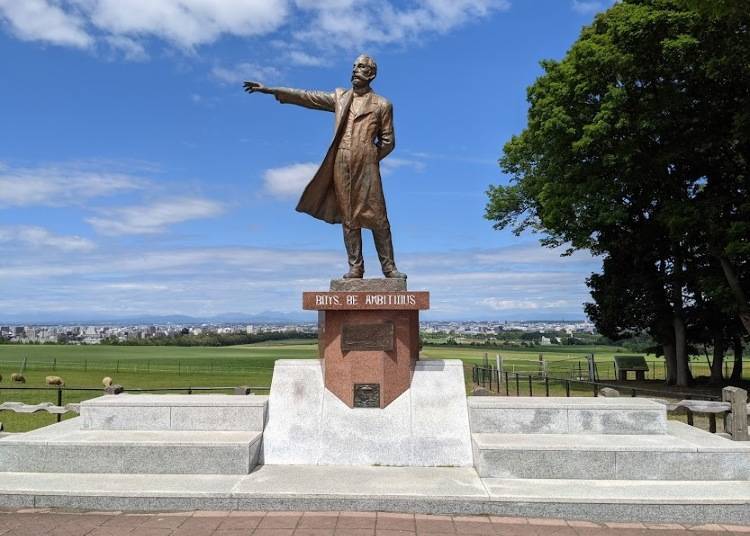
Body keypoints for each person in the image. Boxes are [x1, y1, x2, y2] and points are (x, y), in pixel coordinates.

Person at [244, 54, 406, 279]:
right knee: (349, 217)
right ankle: (355, 267)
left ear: (371, 73)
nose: (355, 70)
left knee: (378, 217)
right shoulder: (341, 97)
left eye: (360, 66)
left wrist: (368, 157)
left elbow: (388, 141)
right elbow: (308, 97)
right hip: (341, 162)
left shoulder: (382, 104)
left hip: (366, 165)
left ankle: (389, 268)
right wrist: (271, 90)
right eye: (353, 66)